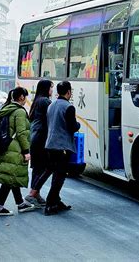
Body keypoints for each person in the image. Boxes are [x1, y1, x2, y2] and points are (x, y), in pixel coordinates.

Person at [0, 87, 35, 216]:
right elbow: (22, 133)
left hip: (6, 146)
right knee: (9, 178)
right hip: (14, 148)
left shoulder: (6, 108)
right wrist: (26, 151)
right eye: (25, 97)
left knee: (12, 176)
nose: (25, 100)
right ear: (21, 97)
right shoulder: (20, 112)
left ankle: (20, 204)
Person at [43, 81, 80, 216]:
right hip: (62, 146)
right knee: (60, 176)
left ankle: (56, 201)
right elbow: (73, 127)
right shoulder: (69, 107)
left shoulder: (51, 105)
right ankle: (50, 203)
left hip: (50, 144)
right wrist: (78, 125)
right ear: (68, 92)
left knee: (56, 174)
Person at [24, 80, 53, 208]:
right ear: (46, 88)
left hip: (35, 137)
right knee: (48, 166)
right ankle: (33, 193)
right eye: (51, 88)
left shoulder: (37, 101)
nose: (52, 91)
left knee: (38, 168)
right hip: (42, 138)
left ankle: (36, 194)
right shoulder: (45, 101)